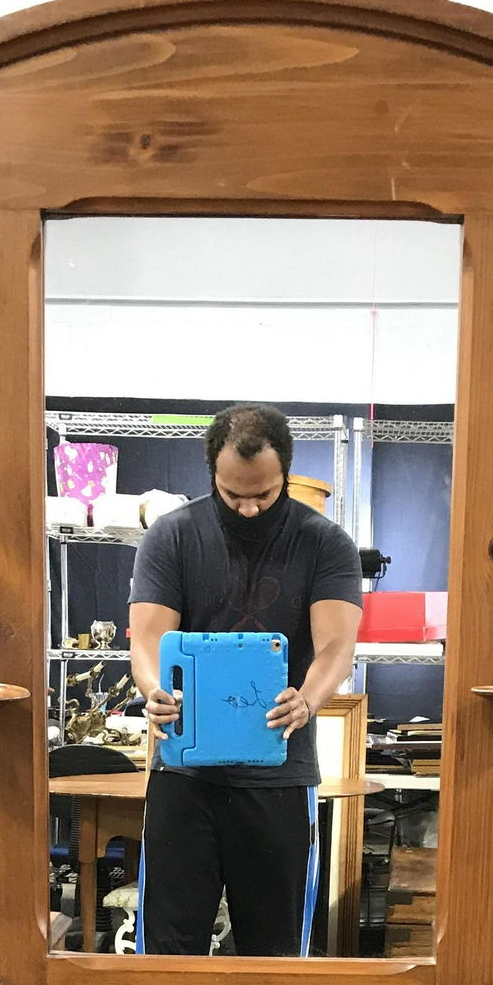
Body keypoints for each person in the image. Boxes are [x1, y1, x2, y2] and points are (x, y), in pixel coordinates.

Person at [127, 404, 364, 955]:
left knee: (273, 954)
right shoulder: (171, 537)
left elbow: (336, 646)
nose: (252, 508)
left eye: (266, 492)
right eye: (235, 496)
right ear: (212, 471)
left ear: (286, 473)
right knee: (169, 951)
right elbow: (145, 641)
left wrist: (308, 701)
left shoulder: (325, 543)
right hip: (184, 773)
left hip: (279, 778)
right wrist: (153, 689)